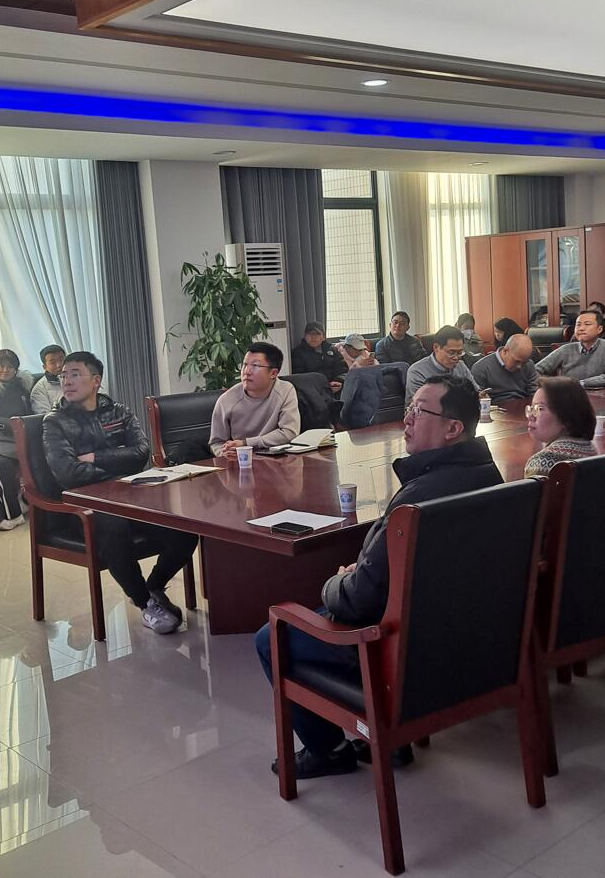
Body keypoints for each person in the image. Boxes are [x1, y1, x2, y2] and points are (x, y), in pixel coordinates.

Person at [255, 376, 503, 779]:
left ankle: (329, 750)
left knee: (272, 636)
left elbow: (357, 602)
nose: (407, 418)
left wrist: (336, 582)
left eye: (419, 410)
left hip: (406, 655)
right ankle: (392, 740)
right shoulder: (492, 478)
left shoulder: (417, 501)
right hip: (468, 644)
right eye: (410, 407)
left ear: (453, 428)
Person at [43, 351, 198, 633]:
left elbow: (140, 453)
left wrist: (95, 458)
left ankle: (153, 587)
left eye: (75, 374)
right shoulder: (55, 422)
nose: (66, 381)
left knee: (185, 528)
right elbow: (68, 473)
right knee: (114, 527)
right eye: (63, 375)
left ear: (96, 381)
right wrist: (116, 471)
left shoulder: (119, 412)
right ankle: (145, 603)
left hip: (129, 494)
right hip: (85, 504)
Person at [209, 342, 300, 458]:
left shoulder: (285, 390)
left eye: (255, 366)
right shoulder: (227, 400)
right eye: (245, 365)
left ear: (273, 373)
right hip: (242, 460)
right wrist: (224, 452)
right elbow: (216, 442)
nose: (247, 371)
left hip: (277, 459)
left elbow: (289, 432)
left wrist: (246, 443)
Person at [0, 348, 32, 530]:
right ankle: (13, 514)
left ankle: (26, 500)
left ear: (16, 369)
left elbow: (29, 415)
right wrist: (10, 424)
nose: (5, 370)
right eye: (0, 366)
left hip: (22, 438)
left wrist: (19, 426)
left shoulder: (23, 389)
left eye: (9, 366)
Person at [524, 377, 597, 477]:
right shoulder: (589, 449)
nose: (531, 416)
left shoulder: (541, 462)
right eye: (532, 408)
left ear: (566, 418)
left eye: (540, 408)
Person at [534, 309, 605, 388]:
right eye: (578, 325)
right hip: (570, 395)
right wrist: (552, 385)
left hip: (602, 396)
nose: (581, 328)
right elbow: (536, 370)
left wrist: (581, 383)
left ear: (599, 329)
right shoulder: (566, 349)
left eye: (587, 324)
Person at [405, 326, 479, 404]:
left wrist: (480, 396)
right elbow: (418, 406)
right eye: (451, 352)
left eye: (460, 352)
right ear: (436, 347)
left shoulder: (460, 366)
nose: (456, 357)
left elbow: (475, 392)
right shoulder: (417, 371)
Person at [471, 333, 537, 402]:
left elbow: (534, 394)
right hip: (495, 406)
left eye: (524, 362)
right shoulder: (481, 368)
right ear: (505, 351)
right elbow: (478, 400)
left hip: (523, 405)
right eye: (517, 361)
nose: (519, 366)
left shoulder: (529, 364)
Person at [290, 322, 344, 393]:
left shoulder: (333, 350)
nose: (313, 337)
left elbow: (342, 370)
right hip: (311, 391)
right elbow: (299, 377)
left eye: (317, 334)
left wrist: (338, 381)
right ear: (305, 336)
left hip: (335, 388)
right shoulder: (297, 353)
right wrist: (325, 387)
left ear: (323, 337)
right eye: (310, 333)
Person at [30, 344, 66, 413]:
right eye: (52, 362)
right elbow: (45, 416)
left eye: (61, 359)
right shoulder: (39, 390)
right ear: (45, 367)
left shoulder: (79, 378)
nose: (59, 365)